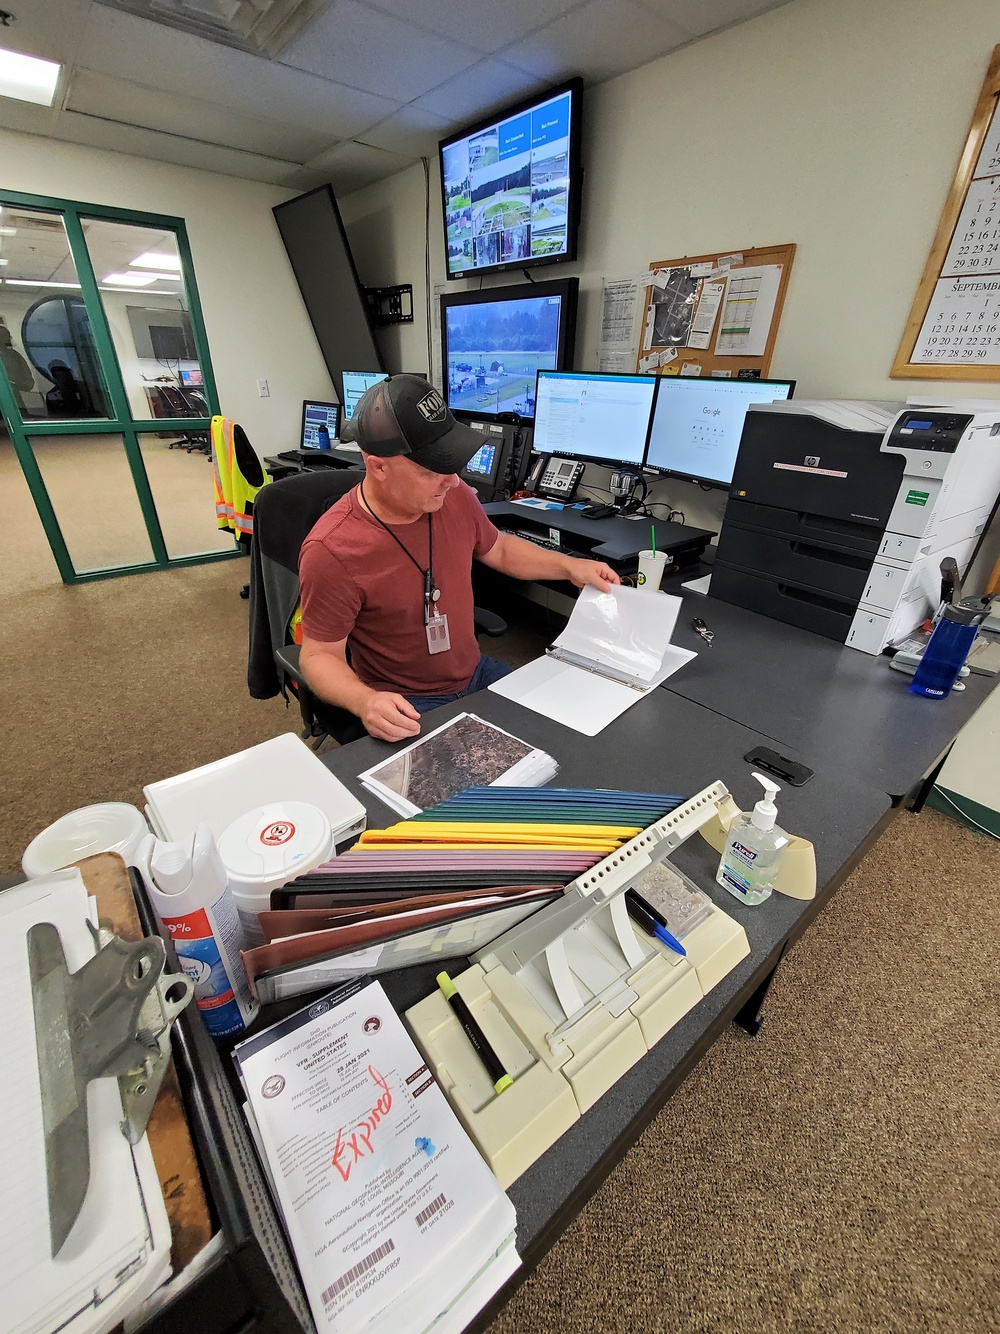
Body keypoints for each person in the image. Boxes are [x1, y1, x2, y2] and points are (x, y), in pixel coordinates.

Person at [299, 374, 620, 743]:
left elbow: (496, 547)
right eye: (430, 470)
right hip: (406, 700)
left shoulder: (453, 495)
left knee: (564, 739)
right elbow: (318, 656)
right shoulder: (332, 550)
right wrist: (365, 701)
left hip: (475, 673)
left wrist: (568, 567)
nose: (452, 481)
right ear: (378, 467)